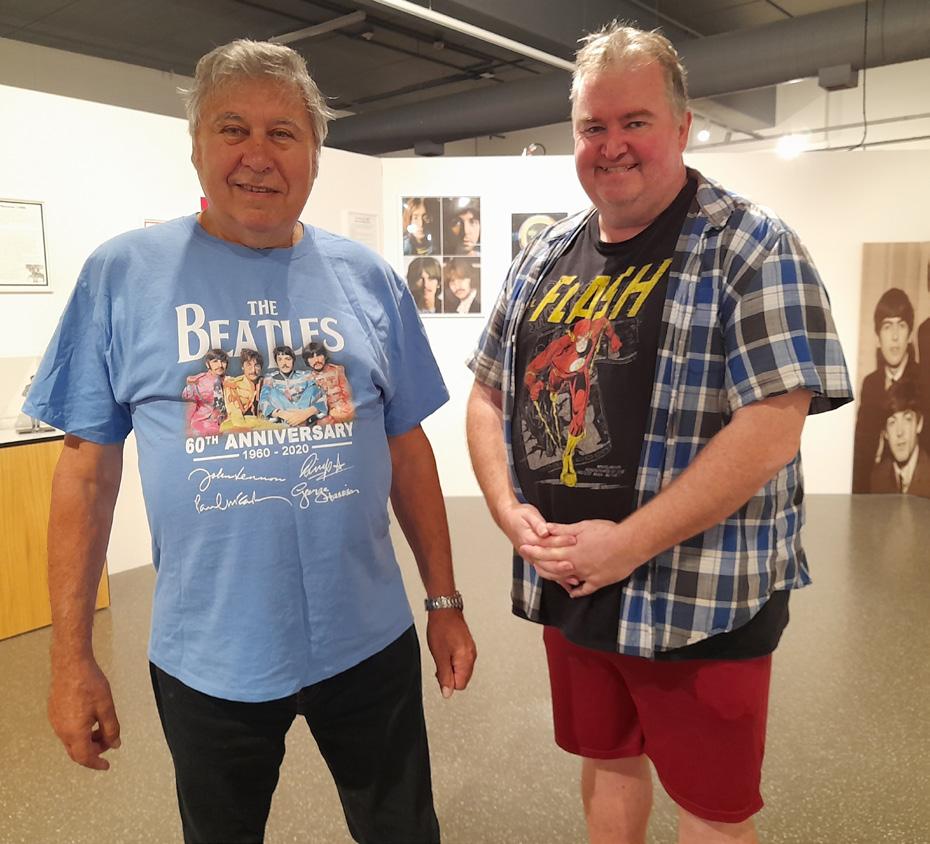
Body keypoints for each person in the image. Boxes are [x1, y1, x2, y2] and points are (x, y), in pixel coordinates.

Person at [24, 38, 475, 844]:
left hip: (367, 637)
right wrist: (71, 661)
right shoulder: (122, 275)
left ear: (315, 154)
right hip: (208, 655)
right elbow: (85, 478)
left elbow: (407, 449)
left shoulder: (368, 279)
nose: (257, 156)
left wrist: (444, 602)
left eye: (283, 133)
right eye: (233, 129)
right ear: (196, 144)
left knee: (403, 830)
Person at [465, 22, 852, 844]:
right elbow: (488, 395)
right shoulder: (544, 256)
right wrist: (506, 511)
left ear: (682, 126)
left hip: (700, 598)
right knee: (607, 760)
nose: (612, 145)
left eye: (634, 121)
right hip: (575, 584)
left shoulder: (752, 246)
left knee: (713, 807)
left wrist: (628, 544)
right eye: (593, 126)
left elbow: (771, 430)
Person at [852, 287, 920, 492]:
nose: (895, 336)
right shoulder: (870, 385)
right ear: (877, 338)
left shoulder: (924, 381)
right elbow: (862, 454)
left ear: (910, 335)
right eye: (887, 326)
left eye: (902, 325)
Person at [868, 378, 930, 496]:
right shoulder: (878, 478)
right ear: (885, 433)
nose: (899, 432)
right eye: (892, 422)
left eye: (907, 419)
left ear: (919, 424)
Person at [260, 344, 327, 426]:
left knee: (314, 388)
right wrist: (283, 414)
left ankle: (300, 422)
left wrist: (306, 413)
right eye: (280, 360)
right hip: (284, 419)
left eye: (288, 359)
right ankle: (295, 422)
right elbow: (263, 402)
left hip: (305, 416)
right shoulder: (270, 378)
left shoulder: (306, 375)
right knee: (272, 393)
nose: (284, 363)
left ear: (293, 360)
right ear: (276, 362)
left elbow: (322, 397)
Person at [302, 342, 355, 424]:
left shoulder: (337, 370)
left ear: (324, 356)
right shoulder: (308, 378)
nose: (316, 360)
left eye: (319, 355)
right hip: (324, 416)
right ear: (307, 361)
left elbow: (347, 394)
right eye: (311, 357)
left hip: (343, 410)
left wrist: (344, 410)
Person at [221, 347, 272, 431]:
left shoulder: (266, 383)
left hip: (261, 425)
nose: (253, 370)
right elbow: (235, 415)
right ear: (242, 367)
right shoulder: (232, 384)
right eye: (249, 365)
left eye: (257, 366)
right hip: (238, 427)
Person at [181, 348, 228, 435]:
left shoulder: (231, 381)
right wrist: (187, 429)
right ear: (207, 364)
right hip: (202, 423)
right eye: (215, 361)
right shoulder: (198, 381)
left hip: (224, 425)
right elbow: (190, 405)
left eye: (223, 361)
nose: (220, 365)